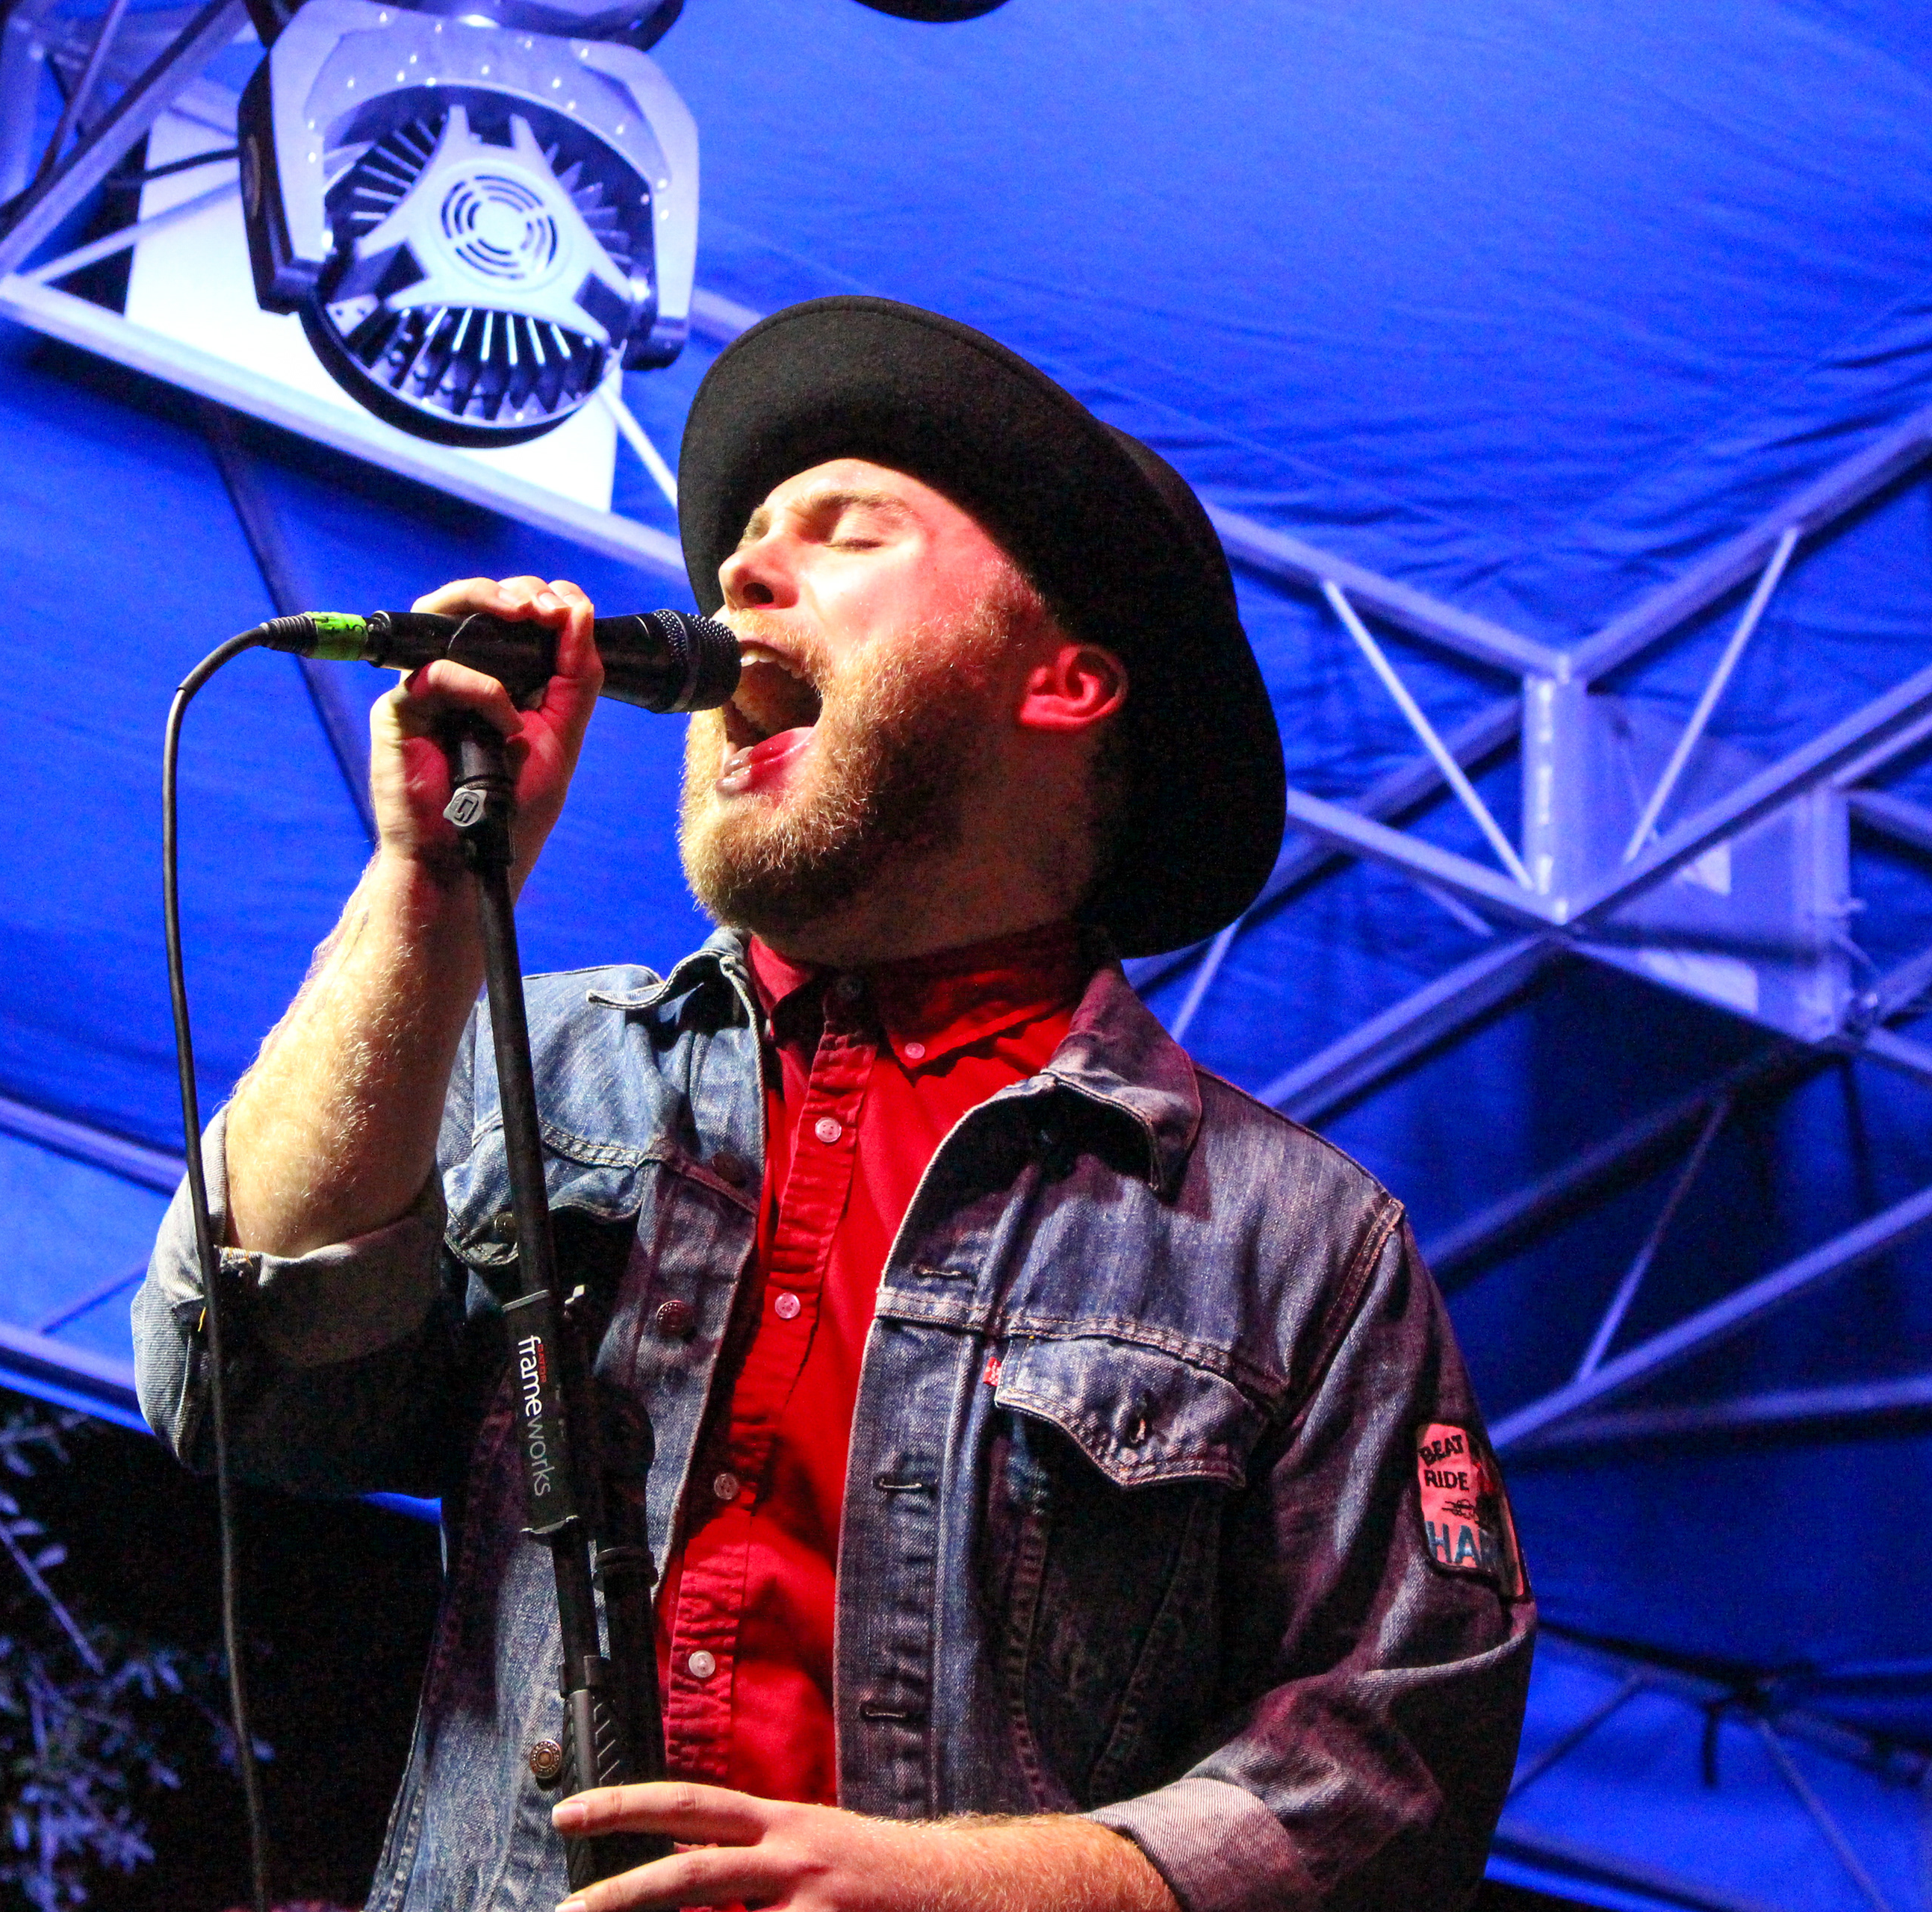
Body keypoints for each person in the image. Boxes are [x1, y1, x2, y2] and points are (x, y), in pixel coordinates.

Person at [136, 297, 1534, 1912]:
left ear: (1065, 682)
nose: (739, 575)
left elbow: (1393, 1771)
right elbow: (237, 1386)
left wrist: (964, 1891)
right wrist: (430, 890)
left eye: (848, 530)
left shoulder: (1299, 1248)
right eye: (741, 545)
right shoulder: (553, 1059)